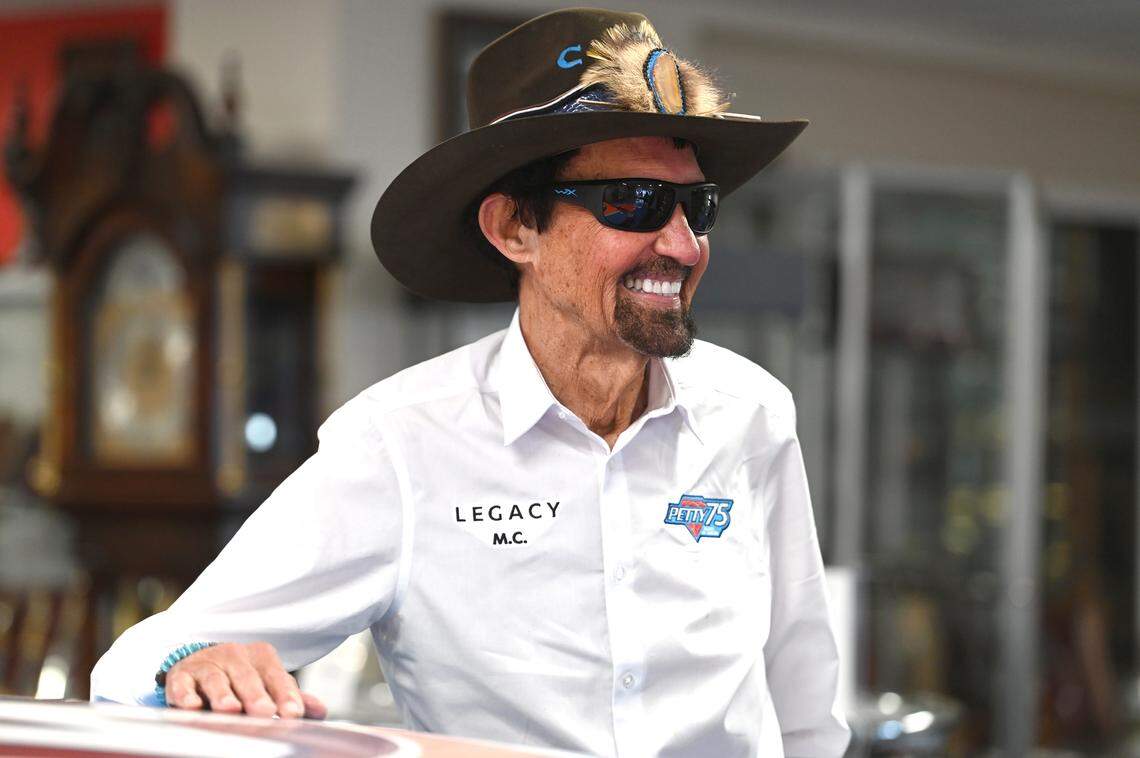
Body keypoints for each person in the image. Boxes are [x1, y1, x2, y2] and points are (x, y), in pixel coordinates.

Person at [92, 8, 850, 757]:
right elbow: (141, 663)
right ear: (514, 229)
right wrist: (195, 663)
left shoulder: (751, 415)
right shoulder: (402, 442)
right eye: (636, 202)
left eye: (697, 206)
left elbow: (806, 705)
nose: (683, 245)